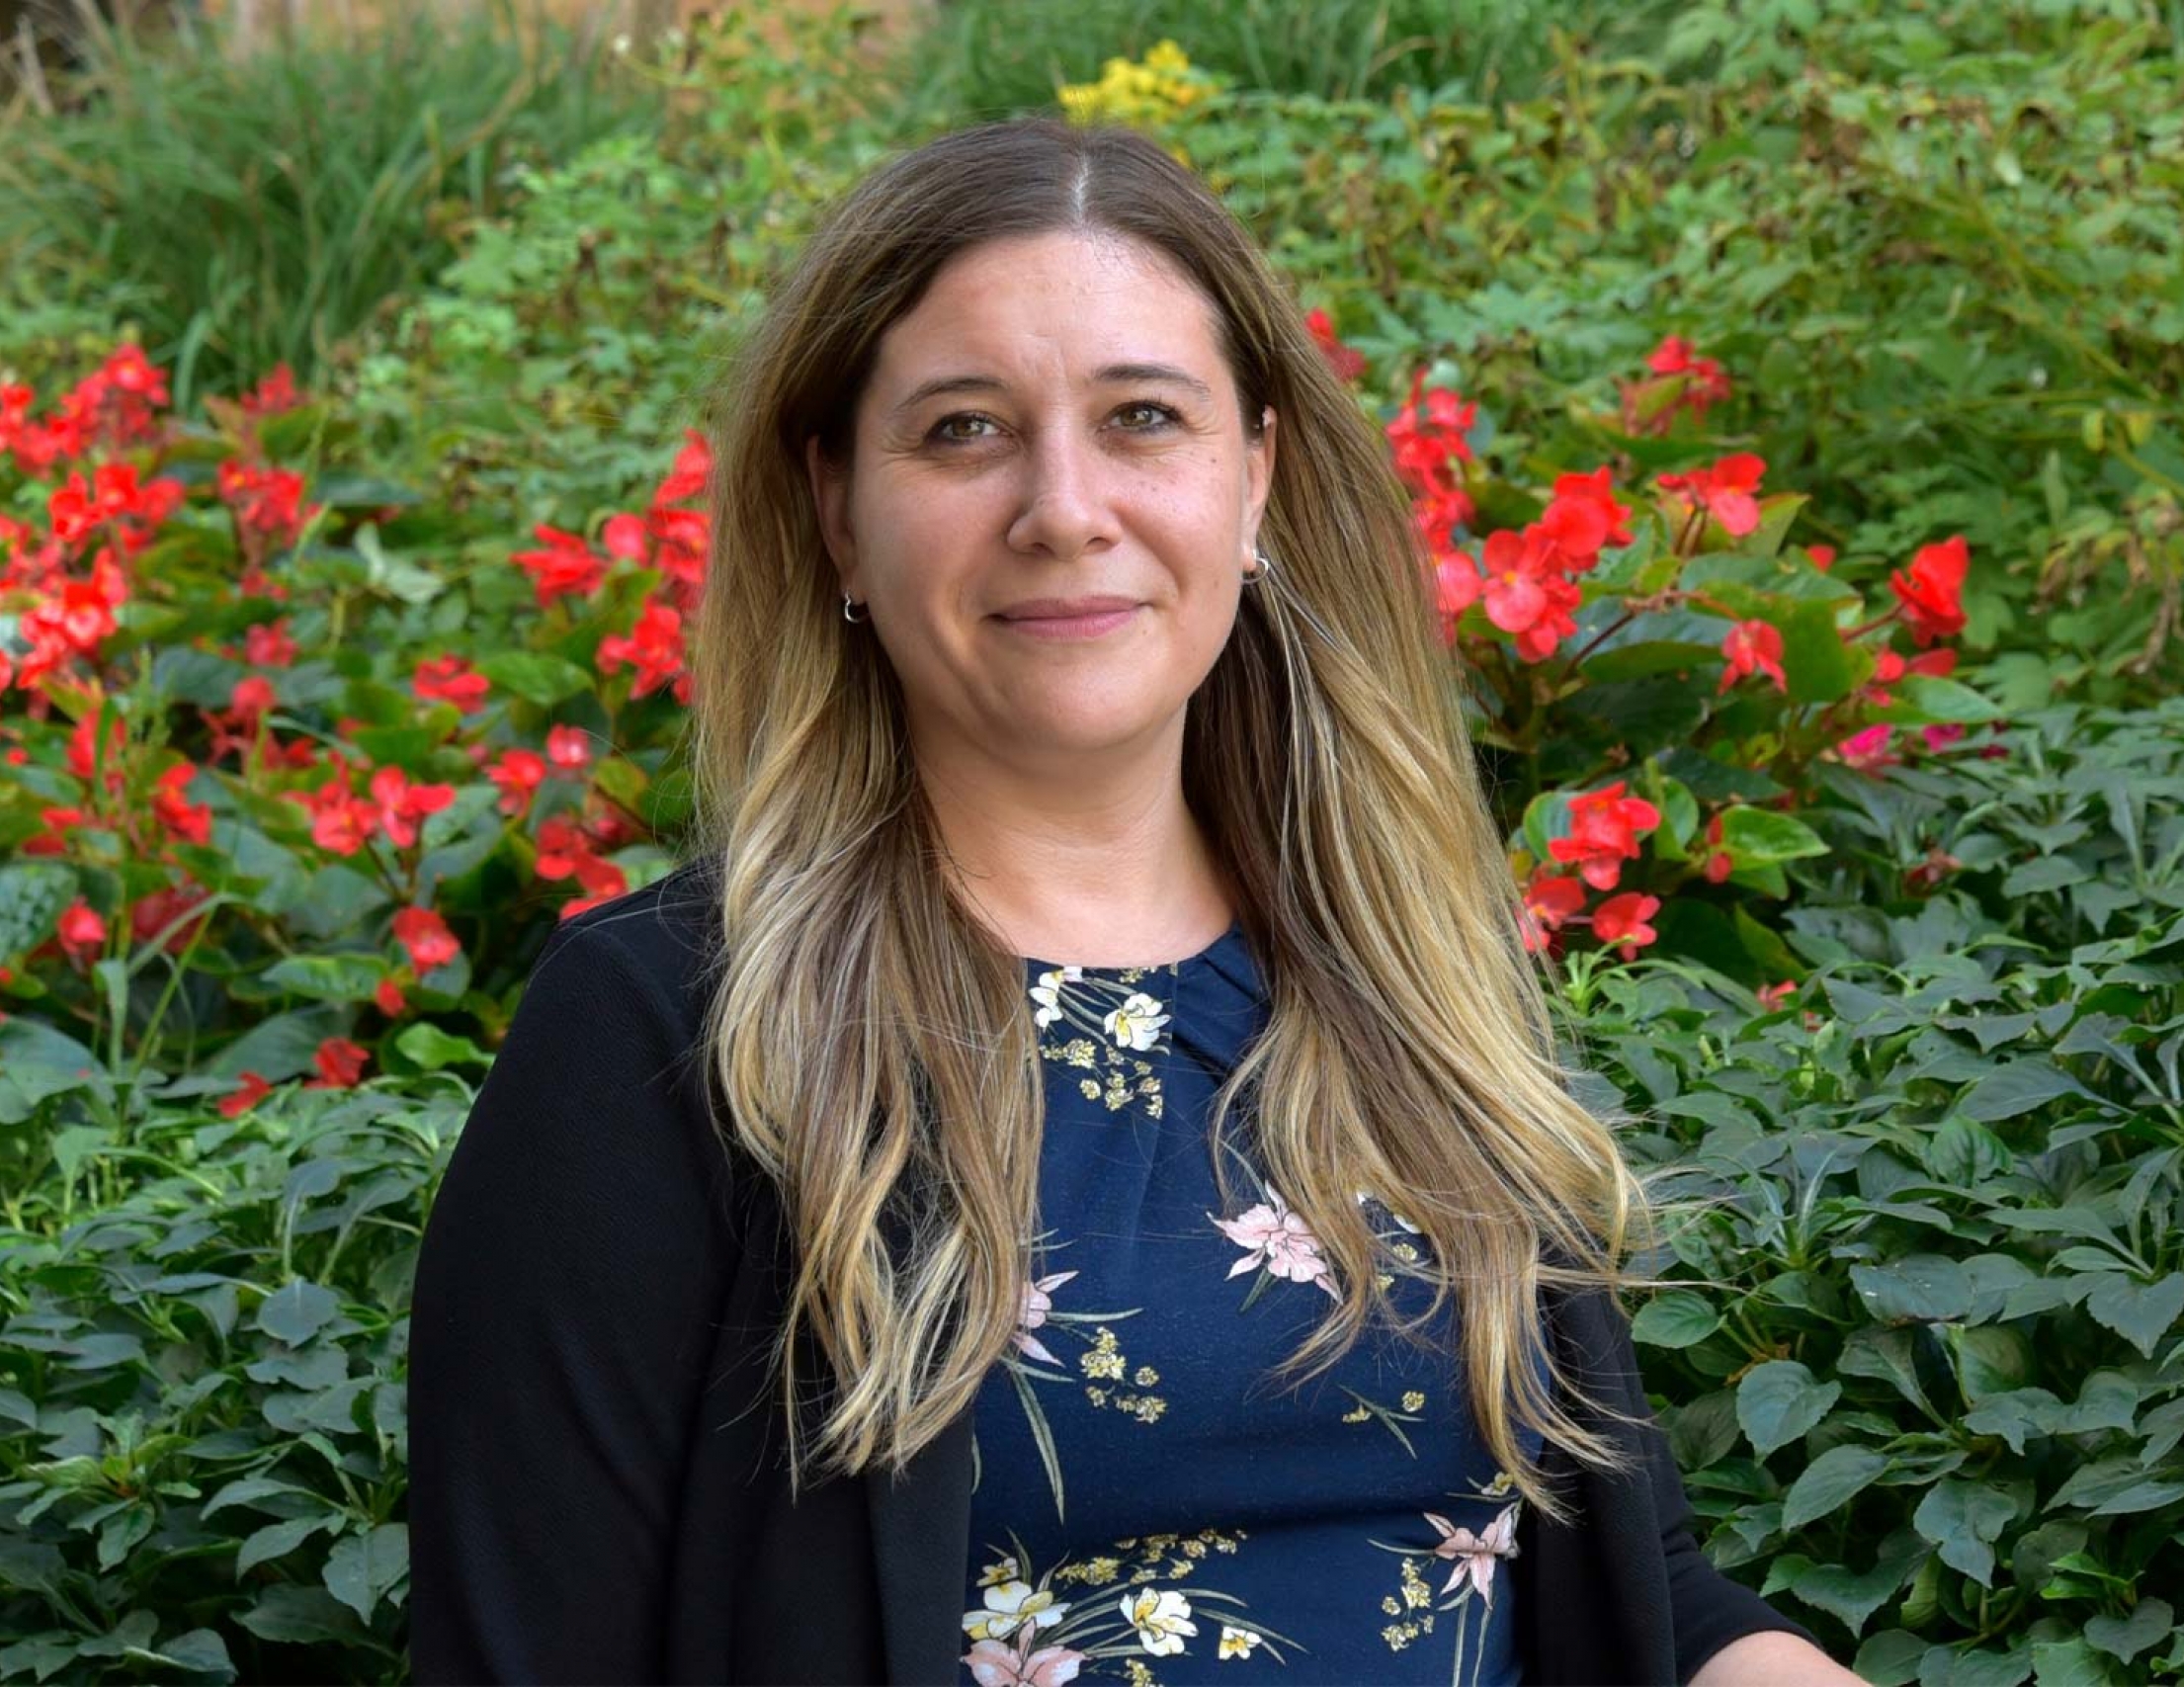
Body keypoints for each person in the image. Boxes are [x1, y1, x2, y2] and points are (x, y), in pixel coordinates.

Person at [407, 116, 1867, 1687]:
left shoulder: (1409, 977)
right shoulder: (667, 1032)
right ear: (838, 509)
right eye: (964, 430)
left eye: (1143, 418)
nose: (1064, 506)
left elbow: (1631, 1581)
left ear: (1254, 479)